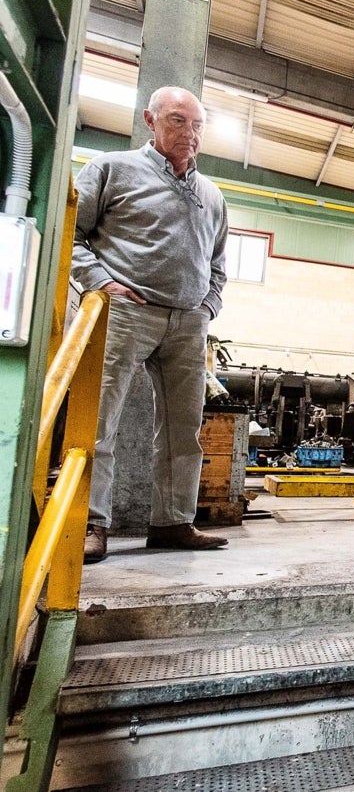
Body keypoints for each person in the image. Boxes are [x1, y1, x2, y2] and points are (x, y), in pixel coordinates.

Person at [73, 86, 230, 563]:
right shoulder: (111, 169)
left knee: (184, 430)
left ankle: (173, 523)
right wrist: (101, 283)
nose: (190, 133)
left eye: (198, 124)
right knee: (101, 420)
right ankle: (90, 524)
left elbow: (218, 264)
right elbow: (72, 235)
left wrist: (208, 306)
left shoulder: (211, 194)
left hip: (188, 323)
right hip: (125, 312)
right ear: (150, 120)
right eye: (178, 121)